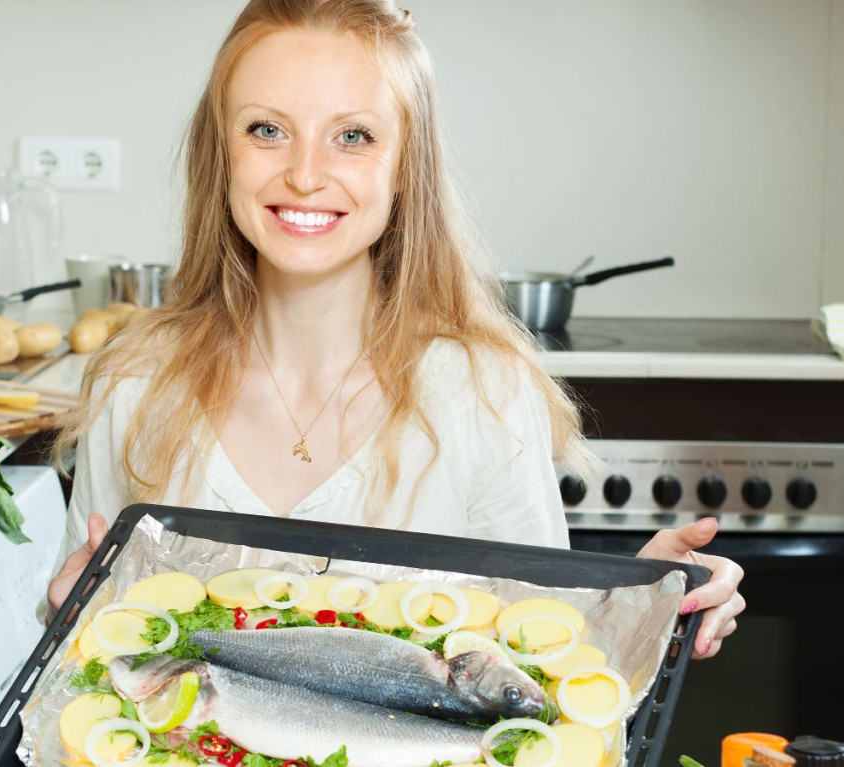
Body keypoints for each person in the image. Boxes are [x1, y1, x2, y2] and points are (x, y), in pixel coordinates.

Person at [47, 0, 744, 659]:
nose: (305, 173)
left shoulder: (485, 393)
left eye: (352, 135)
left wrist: (636, 606)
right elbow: (84, 666)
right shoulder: (134, 382)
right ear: (219, 151)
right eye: (267, 129)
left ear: (406, 166)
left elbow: (535, 663)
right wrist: (68, 616)